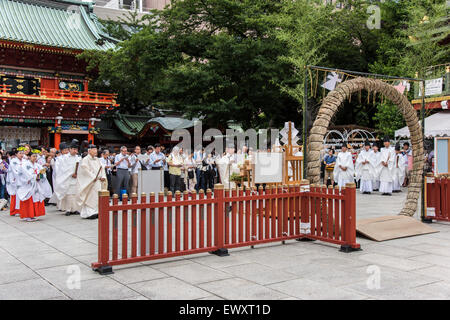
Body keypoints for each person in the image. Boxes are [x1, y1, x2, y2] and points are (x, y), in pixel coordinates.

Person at [16, 150, 52, 222]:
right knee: (28, 199)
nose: (35, 158)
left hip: (36, 184)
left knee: (36, 198)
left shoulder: (37, 165)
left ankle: (33, 214)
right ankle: (27, 215)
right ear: (29, 157)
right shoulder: (25, 165)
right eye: (33, 156)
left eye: (36, 156)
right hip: (28, 185)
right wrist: (35, 176)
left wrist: (41, 175)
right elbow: (27, 175)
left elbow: (42, 173)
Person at [77, 145, 106, 219]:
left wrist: (103, 176)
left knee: (97, 197)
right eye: (93, 150)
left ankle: (96, 211)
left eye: (96, 150)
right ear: (89, 151)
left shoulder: (97, 159)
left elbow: (102, 168)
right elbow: (85, 170)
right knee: (90, 197)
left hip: (98, 181)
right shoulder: (85, 159)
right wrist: (93, 177)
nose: (95, 151)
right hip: (90, 181)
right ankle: (89, 213)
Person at [55, 140, 81, 215]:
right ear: (70, 149)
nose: (75, 151)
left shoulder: (78, 158)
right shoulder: (64, 158)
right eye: (74, 149)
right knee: (69, 194)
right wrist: (71, 174)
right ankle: (68, 209)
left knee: (75, 194)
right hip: (68, 178)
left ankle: (75, 209)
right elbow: (63, 169)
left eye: (76, 149)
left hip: (76, 178)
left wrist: (77, 173)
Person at [6, 148, 24, 216]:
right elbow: (15, 171)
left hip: (21, 180)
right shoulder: (14, 161)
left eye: (22, 153)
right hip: (14, 180)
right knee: (15, 196)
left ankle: (20, 210)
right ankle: (15, 211)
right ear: (16, 154)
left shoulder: (24, 160)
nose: (21, 155)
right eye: (20, 153)